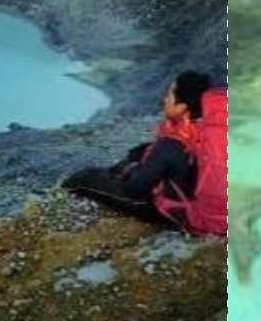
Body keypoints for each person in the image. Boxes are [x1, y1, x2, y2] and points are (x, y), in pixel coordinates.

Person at [62, 70, 214, 227]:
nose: (165, 99)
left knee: (86, 177)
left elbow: (134, 190)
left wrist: (131, 170)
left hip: (175, 213)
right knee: (137, 155)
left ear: (182, 107)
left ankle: (59, 199)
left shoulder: (173, 143)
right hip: (200, 200)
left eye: (170, 95)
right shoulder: (209, 130)